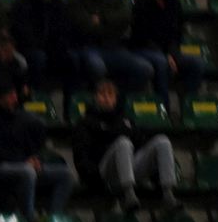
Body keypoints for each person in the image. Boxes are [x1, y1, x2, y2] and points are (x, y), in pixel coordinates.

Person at [71, 79, 176, 211]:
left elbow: (141, 143)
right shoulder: (85, 122)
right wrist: (92, 180)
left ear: (115, 99)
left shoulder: (125, 120)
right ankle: (128, 194)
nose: (107, 98)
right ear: (95, 98)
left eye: (110, 95)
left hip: (129, 168)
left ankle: (168, 192)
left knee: (162, 140)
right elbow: (81, 154)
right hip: (103, 172)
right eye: (102, 95)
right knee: (123, 142)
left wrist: (154, 174)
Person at [0, 81, 73, 218]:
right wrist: (24, 162)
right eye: (10, 95)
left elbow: (32, 147)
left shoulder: (21, 118)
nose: (14, 98)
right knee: (27, 171)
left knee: (66, 175)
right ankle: (29, 219)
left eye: (14, 94)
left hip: (23, 164)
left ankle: (52, 219)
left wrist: (36, 159)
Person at [66, 0, 152, 91]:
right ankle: (100, 100)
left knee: (145, 69)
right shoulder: (75, 0)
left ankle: (119, 99)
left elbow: (126, 16)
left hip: (114, 47)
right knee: (97, 67)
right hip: (88, 47)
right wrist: (112, 25)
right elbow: (87, 27)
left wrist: (102, 18)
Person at [131, 0, 205, 103]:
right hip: (145, 49)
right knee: (161, 62)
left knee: (196, 63)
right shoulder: (141, 3)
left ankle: (188, 106)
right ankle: (164, 110)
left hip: (168, 51)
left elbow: (177, 32)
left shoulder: (174, 3)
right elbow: (141, 35)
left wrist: (171, 53)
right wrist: (165, 55)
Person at [10, 0, 72, 87]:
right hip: (29, 47)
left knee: (68, 58)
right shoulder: (23, 3)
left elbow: (64, 28)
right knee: (39, 57)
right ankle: (36, 90)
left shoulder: (59, 4)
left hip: (51, 47)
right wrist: (38, 44)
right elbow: (22, 31)